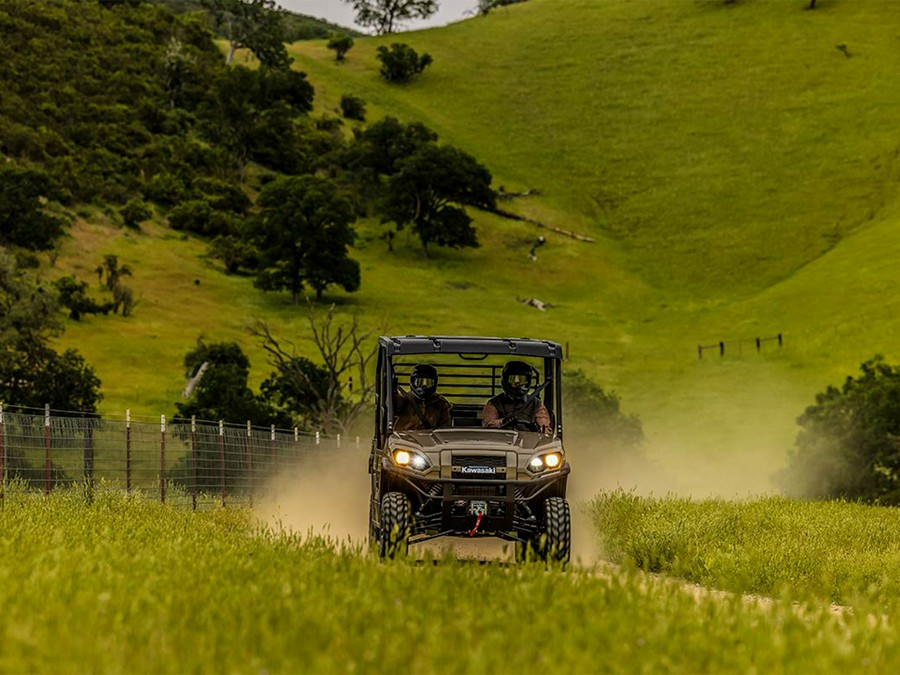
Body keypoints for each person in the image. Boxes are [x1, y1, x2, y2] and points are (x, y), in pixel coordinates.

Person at [482, 360, 551, 434]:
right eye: (513, 379)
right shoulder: (494, 403)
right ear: (506, 380)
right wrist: (503, 421)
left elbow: (546, 429)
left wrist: (537, 428)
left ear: (527, 381)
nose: (518, 383)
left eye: (522, 380)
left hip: (528, 441)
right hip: (501, 441)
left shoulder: (536, 404)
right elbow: (487, 427)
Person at [392, 363, 452, 431]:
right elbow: (393, 404)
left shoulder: (440, 403)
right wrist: (393, 390)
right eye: (419, 382)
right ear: (412, 382)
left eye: (428, 383)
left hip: (429, 439)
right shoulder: (404, 399)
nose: (424, 386)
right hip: (406, 438)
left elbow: (445, 427)